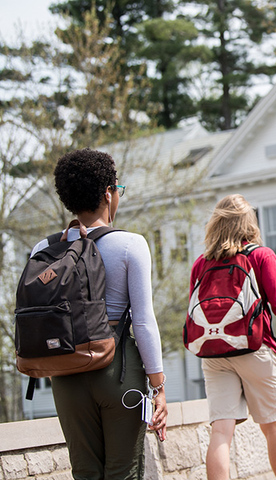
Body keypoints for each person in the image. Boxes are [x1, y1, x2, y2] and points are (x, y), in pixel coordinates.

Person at [35, 148, 167, 479]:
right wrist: (158, 384)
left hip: (64, 375)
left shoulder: (43, 250)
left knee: (84, 472)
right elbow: (143, 321)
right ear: (108, 194)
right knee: (123, 471)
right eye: (118, 189)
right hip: (118, 371)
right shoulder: (130, 245)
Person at [191, 194, 276, 480]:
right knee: (272, 428)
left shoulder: (201, 264)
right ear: (249, 222)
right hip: (255, 350)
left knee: (221, 430)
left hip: (214, 354)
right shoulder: (260, 256)